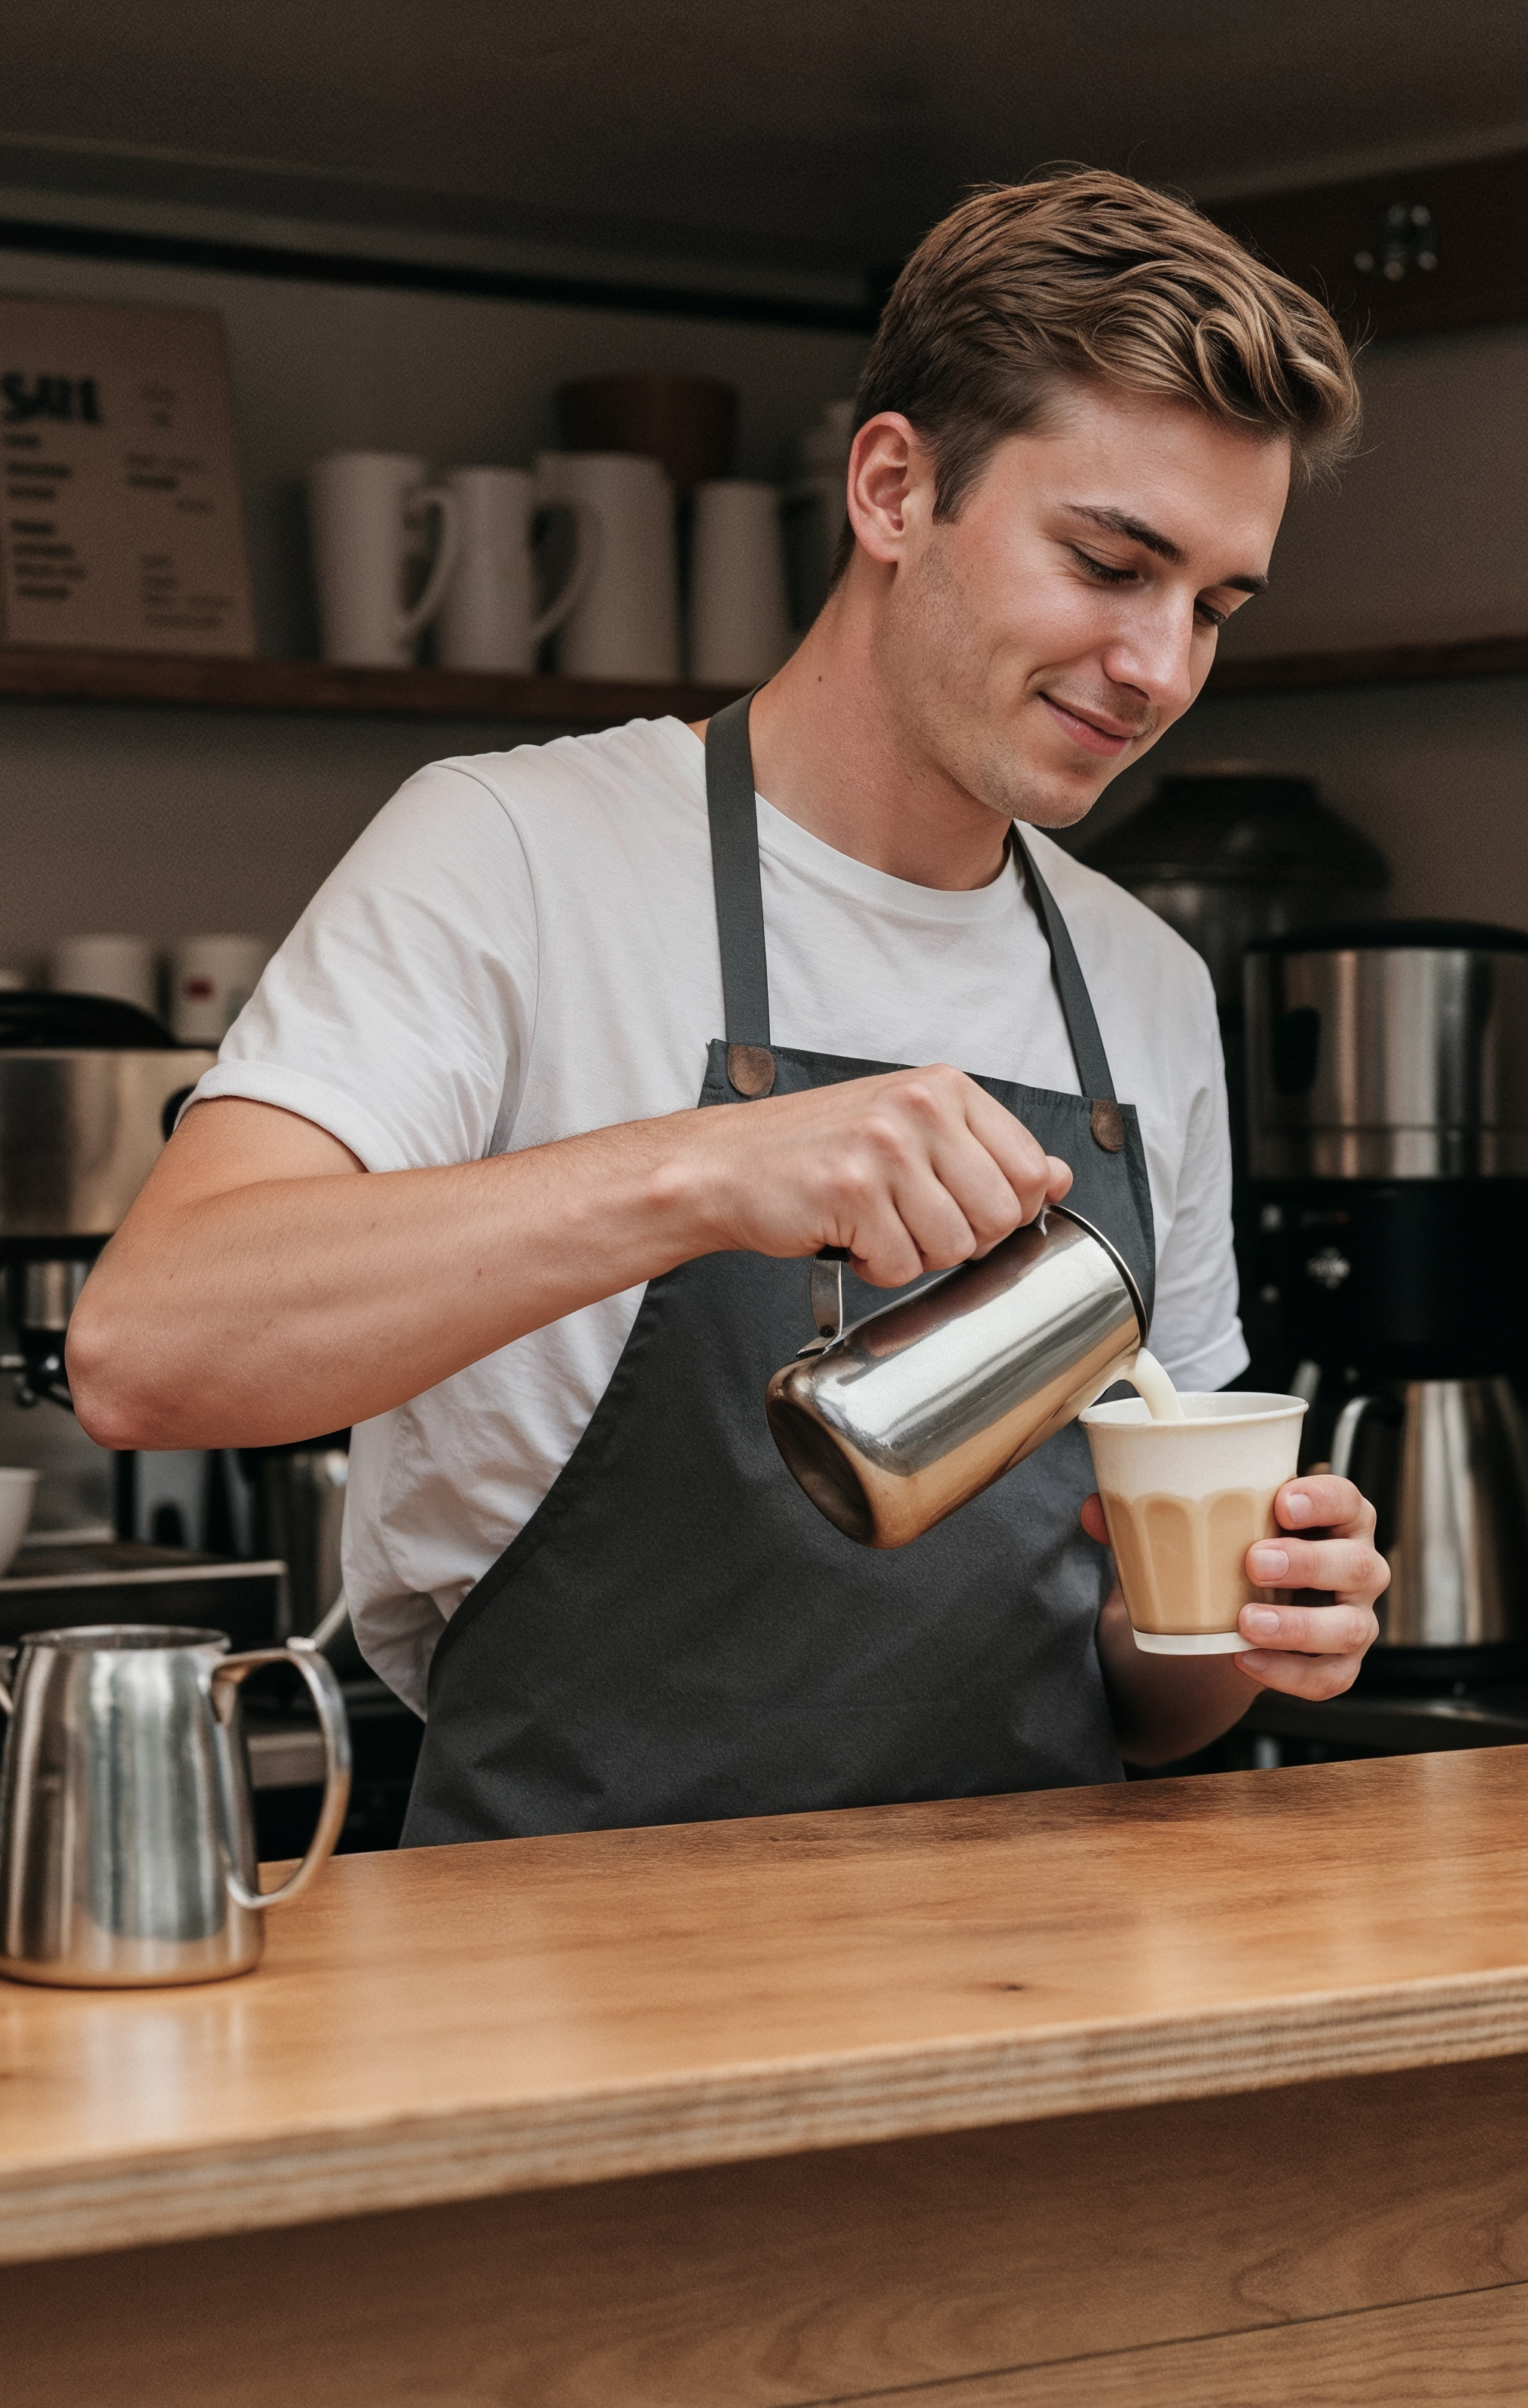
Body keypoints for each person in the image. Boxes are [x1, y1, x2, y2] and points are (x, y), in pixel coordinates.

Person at [69, 168, 1389, 1845]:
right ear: (895, 487)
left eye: (1212, 605)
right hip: (562, 1967)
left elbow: (1144, 1699)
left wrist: (1257, 1631)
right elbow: (147, 1350)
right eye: (1108, 562)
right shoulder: (515, 853)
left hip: (1026, 1980)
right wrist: (699, 1174)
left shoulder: (1142, 983)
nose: (1160, 668)